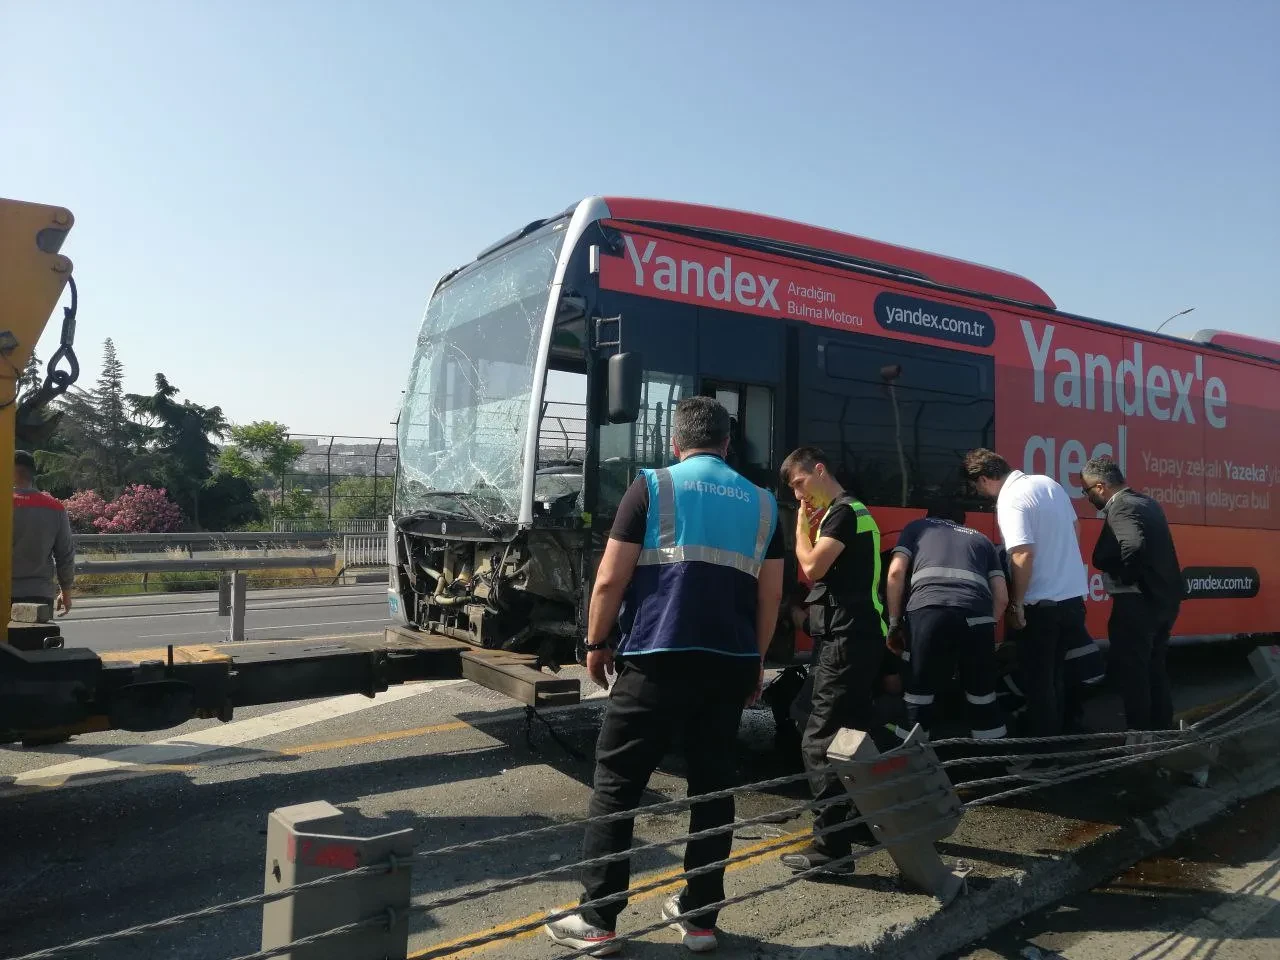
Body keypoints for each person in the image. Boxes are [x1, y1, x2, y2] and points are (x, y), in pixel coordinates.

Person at [546, 396, 783, 956]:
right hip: (727, 664)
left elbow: (609, 579)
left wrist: (597, 642)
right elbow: (770, 596)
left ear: (676, 444)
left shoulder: (653, 486)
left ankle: (599, 920)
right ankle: (701, 920)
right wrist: (755, 660)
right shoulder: (766, 504)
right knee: (713, 785)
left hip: (655, 658)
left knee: (617, 784)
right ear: (728, 444)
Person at [775, 446, 888, 876]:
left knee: (820, 741)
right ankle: (855, 822)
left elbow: (812, 567)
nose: (801, 496)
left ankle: (831, 850)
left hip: (847, 641)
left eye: (801, 484)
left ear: (819, 471)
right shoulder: (853, 512)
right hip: (852, 640)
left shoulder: (843, 512)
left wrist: (801, 526)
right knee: (845, 734)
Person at [963, 449, 1089, 743]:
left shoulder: (1011, 499)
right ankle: (1066, 737)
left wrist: (1017, 603)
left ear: (984, 479)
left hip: (1041, 606)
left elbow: (1021, 552)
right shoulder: (1048, 484)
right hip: (1072, 601)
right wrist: (1061, 565)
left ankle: (1043, 753)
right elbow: (1076, 527)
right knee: (1059, 674)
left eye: (977, 487)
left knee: (1039, 682)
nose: (980, 494)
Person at [884, 499, 1008, 739]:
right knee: (982, 696)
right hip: (978, 617)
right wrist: (984, 627)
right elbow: (1001, 597)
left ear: (929, 515)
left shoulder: (917, 527)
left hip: (928, 613)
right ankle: (994, 763)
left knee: (918, 694)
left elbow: (896, 572)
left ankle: (909, 762)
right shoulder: (982, 539)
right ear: (962, 520)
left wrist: (894, 623)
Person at [1082, 455, 1184, 731]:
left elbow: (1134, 546)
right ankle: (1160, 728)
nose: (1088, 498)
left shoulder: (1122, 506)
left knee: (1134, 671)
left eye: (1087, 491)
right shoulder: (1148, 503)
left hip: (1137, 604)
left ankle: (1139, 734)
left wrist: (1125, 577)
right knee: (1154, 668)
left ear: (1101, 487)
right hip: (1163, 602)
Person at [12, 450, 74, 615]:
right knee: (36, 640)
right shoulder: (55, 508)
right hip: (40, 594)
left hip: (4, 593)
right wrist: (66, 591)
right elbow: (65, 555)